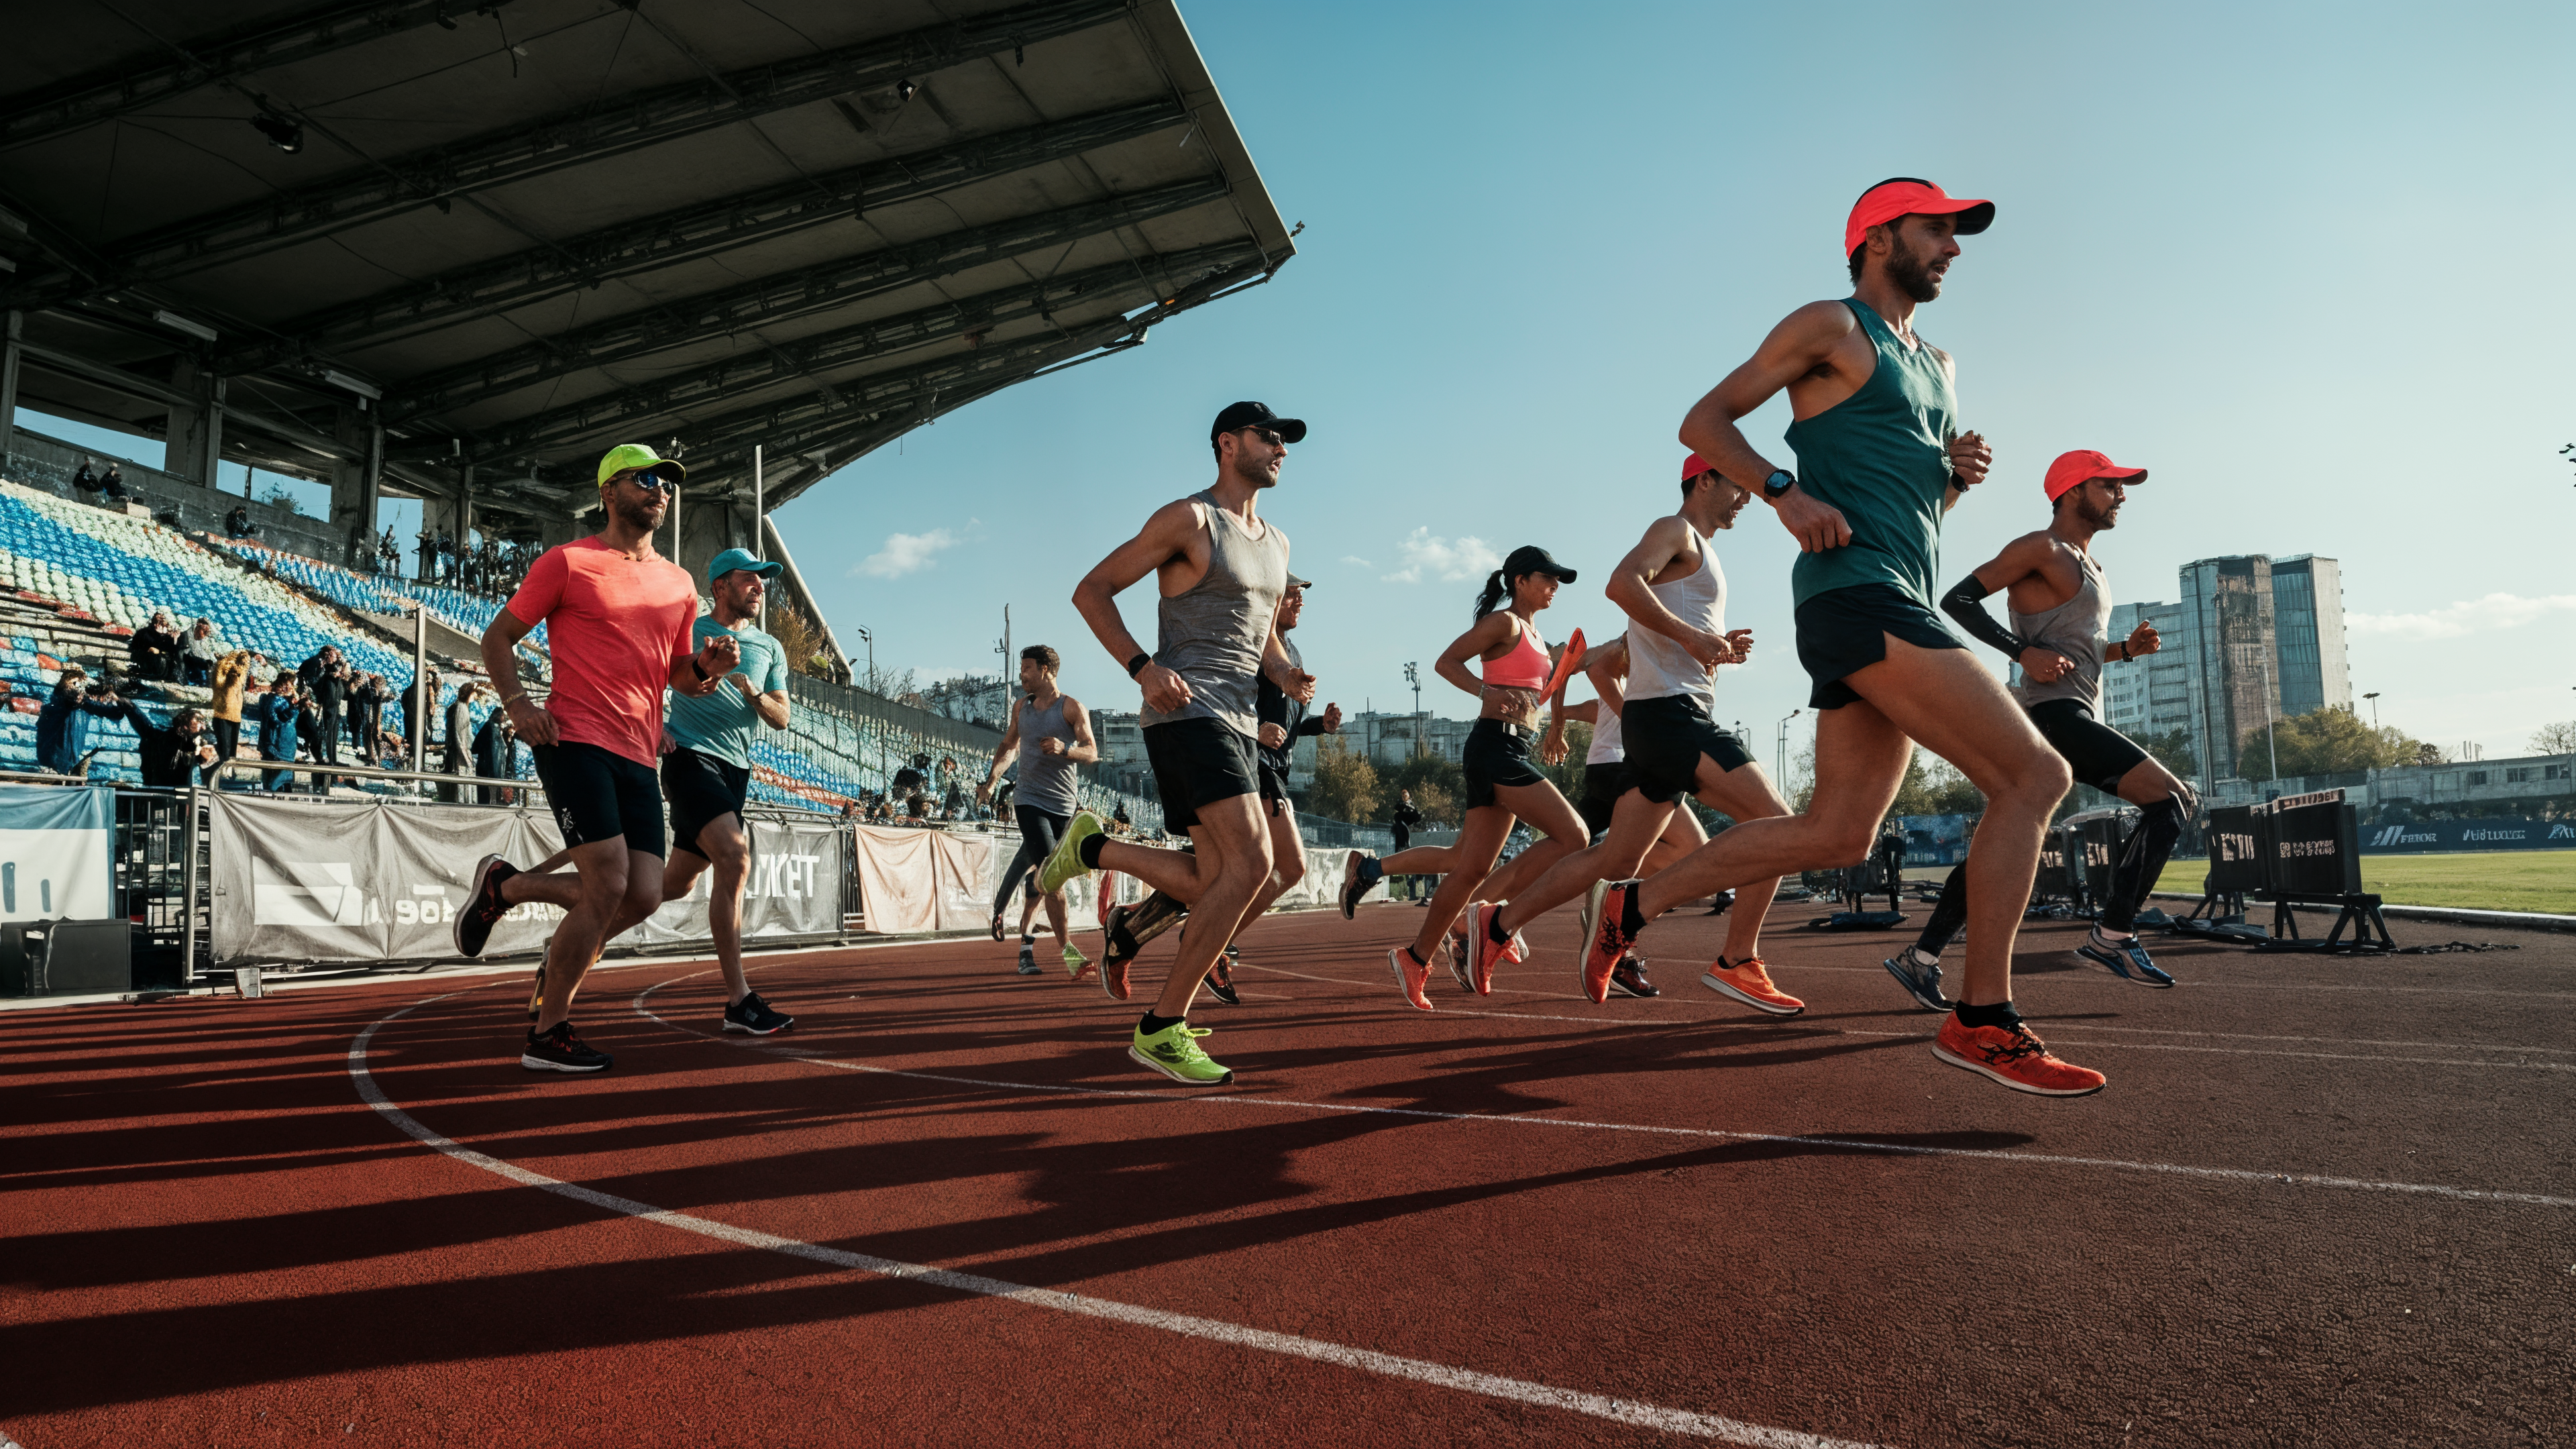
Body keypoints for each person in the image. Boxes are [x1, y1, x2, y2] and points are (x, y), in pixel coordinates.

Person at [1586, 176, 2101, 1097]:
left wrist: (1956, 481)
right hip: (1854, 594)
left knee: (1838, 832)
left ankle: (1636, 901)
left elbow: (1916, 507)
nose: (1952, 247)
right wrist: (1785, 494)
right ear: (1876, 238)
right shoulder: (1829, 325)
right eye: (1936, 229)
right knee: (2036, 776)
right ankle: (1982, 1018)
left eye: (1958, 234)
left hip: (1890, 588)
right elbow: (1703, 422)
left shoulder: (1939, 362)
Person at [1042, 399, 1313, 1087]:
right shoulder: (1190, 520)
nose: (1282, 449)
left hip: (1240, 721)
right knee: (1254, 868)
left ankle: (1093, 848)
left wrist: (1284, 670)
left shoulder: (1277, 543)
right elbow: (1092, 589)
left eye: (1286, 442)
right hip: (1186, 712)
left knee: (1211, 879)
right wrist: (1142, 666)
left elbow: (1262, 635)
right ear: (1228, 444)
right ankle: (1162, 1028)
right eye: (1270, 437)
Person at [451, 443, 734, 1075]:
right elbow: (497, 638)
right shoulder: (569, 562)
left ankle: (507, 886)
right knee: (606, 885)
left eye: (667, 483)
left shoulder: (680, 582)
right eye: (646, 480)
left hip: (638, 751)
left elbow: (677, 675)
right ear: (609, 491)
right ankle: (548, 1035)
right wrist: (520, 704)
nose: (660, 490)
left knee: (643, 896)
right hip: (573, 739)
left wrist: (707, 669)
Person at [1886, 449, 2196, 1004]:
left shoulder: (2091, 566)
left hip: (2066, 714)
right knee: (2173, 799)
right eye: (2110, 486)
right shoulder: (2041, 548)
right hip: (2051, 717)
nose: (2122, 496)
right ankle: (2114, 935)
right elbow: (1958, 599)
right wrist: (2021, 651)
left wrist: (2125, 650)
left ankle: (1921, 957)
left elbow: (2079, 647)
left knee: (2000, 844)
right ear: (2074, 491)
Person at [1489, 459, 1796, 1012]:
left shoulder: (1698, 551)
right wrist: (1695, 640)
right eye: (1738, 487)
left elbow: (1663, 632)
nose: (1746, 500)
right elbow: (1619, 584)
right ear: (1705, 480)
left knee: (1611, 862)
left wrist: (1716, 644)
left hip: (1663, 717)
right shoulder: (1673, 530)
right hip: (1672, 717)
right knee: (1776, 825)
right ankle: (1736, 959)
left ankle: (1497, 923)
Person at [1340, 545, 1589, 1010]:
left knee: (1468, 865)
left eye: (1559, 581)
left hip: (1513, 746)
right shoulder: (1505, 624)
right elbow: (1445, 662)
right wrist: (1485, 691)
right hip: (1495, 746)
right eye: (1547, 577)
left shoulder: (1537, 635)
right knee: (1574, 835)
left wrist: (1555, 727)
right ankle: (1495, 921)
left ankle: (1415, 957)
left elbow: (1556, 681)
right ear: (1519, 581)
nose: (1555, 586)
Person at [654, 547, 796, 1034]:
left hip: (737, 770)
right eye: (749, 578)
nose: (760, 586)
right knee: (735, 857)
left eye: (763, 580)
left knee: (672, 885)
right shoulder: (690, 628)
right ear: (719, 587)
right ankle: (739, 1000)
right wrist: (653, 725)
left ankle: (569, 936)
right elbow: (647, 676)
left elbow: (783, 718)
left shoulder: (770, 647)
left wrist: (752, 693)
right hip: (689, 757)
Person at [1210, 573, 1342, 1003]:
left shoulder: (1293, 651)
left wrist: (1320, 725)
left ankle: (1149, 920)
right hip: (1254, 764)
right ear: (1270, 600)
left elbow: (1287, 726)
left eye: (1302, 594)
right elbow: (1225, 702)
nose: (1299, 602)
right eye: (1291, 595)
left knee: (1236, 870)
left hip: (1275, 769)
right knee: (1291, 867)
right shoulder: (1253, 647)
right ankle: (1212, 944)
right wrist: (1254, 730)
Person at [979, 645, 1100, 977]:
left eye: (1027, 668)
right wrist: (991, 782)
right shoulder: (1022, 708)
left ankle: (1023, 946)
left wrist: (1066, 750)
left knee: (1041, 879)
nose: (1022, 675)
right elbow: (1009, 746)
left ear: (1046, 670)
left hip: (1065, 807)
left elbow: (1092, 752)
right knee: (1050, 877)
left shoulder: (1072, 708)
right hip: (1030, 801)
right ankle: (1070, 955)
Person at [36, 666, 124, 775]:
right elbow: (70, 697)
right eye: (74, 684)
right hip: (54, 760)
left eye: (78, 685)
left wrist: (119, 701)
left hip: (69, 760)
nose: (76, 688)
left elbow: (114, 713)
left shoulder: (83, 705)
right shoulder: (57, 703)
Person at [119, 701, 217, 788]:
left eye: (203, 722)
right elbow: (143, 724)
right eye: (199, 721)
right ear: (185, 726)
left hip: (179, 791)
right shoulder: (162, 738)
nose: (203, 726)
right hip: (159, 789)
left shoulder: (198, 742)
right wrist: (129, 706)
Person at [207, 649, 256, 784]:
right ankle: (221, 775)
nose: (237, 672)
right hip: (222, 715)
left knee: (232, 751)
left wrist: (244, 654)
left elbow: (245, 665)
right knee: (225, 748)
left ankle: (230, 773)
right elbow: (220, 674)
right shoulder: (222, 678)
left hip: (236, 715)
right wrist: (226, 661)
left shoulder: (240, 676)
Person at [256, 672, 303, 793]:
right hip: (280, 745)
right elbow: (281, 720)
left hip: (274, 743)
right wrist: (295, 707)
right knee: (278, 781)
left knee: (273, 778)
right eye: (292, 685)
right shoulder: (279, 701)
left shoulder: (268, 699)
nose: (293, 688)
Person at [441, 681, 480, 802]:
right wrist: (465, 756)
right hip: (462, 754)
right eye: (474, 692)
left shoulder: (461, 707)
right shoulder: (461, 708)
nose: (476, 696)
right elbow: (459, 734)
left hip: (464, 752)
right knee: (464, 785)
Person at [473, 706, 518, 805]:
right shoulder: (493, 728)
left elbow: (476, 747)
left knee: (484, 795)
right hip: (489, 767)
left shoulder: (488, 726)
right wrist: (496, 772)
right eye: (503, 716)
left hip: (483, 764)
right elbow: (496, 752)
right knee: (489, 796)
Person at [129, 610, 183, 682]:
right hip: (146, 663)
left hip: (163, 667)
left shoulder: (169, 637)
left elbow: (174, 653)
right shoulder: (144, 633)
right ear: (155, 625)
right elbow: (134, 650)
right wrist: (149, 651)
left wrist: (175, 639)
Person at [181, 619, 223, 686]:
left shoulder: (209, 640)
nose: (204, 636)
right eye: (204, 632)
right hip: (192, 660)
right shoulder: (188, 632)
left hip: (206, 662)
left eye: (206, 633)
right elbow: (186, 652)